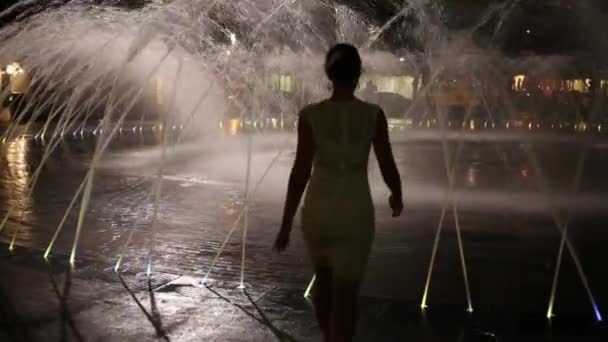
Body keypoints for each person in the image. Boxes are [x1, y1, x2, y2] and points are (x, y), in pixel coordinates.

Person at [273, 43, 403, 342]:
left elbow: (300, 172)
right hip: (355, 214)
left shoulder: (310, 116)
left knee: (324, 283)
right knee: (347, 298)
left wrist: (285, 224)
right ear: (359, 74)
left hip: (318, 212)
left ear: (329, 75)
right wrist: (396, 194)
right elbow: (387, 163)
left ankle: (328, 335)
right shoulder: (373, 115)